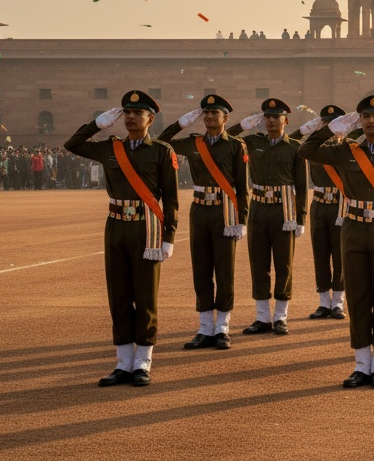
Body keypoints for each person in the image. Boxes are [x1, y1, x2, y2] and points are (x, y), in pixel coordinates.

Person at [298, 95, 374, 388]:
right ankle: (362, 364)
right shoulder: (345, 150)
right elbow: (306, 149)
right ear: (359, 121)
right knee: (359, 298)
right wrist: (331, 130)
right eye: (365, 116)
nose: (371, 121)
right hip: (353, 231)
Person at [64, 91, 179, 387]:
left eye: (137, 113)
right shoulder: (110, 148)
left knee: (145, 296)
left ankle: (142, 362)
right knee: (118, 294)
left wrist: (169, 237)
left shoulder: (162, 151)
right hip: (115, 226)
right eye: (126, 112)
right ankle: (122, 362)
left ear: (150, 119)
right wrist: (97, 124)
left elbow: (171, 199)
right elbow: (72, 144)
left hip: (147, 228)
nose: (130, 117)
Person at [158, 94, 249, 350]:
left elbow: (243, 187)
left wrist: (242, 220)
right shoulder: (193, 143)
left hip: (225, 213)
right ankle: (205, 327)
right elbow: (161, 142)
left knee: (224, 270)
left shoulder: (235, 146)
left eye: (214, 114)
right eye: (205, 114)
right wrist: (180, 123)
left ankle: (222, 327)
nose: (209, 117)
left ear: (225, 118)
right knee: (201, 269)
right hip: (199, 210)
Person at [229, 99, 308, 336]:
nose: (272, 121)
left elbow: (302, 186)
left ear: (286, 120)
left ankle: (281, 316)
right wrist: (243, 125)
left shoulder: (295, 147)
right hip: (259, 209)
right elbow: (228, 138)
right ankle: (262, 317)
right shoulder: (253, 142)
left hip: (285, 212)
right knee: (259, 264)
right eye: (268, 117)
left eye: (277, 117)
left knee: (283, 264)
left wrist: (301, 218)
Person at [307, 105, 351, 321]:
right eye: (325, 123)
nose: (329, 127)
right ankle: (324, 302)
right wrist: (314, 129)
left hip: (340, 205)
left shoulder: (348, 148)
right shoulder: (314, 148)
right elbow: (298, 145)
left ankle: (338, 303)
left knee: (340, 256)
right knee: (321, 254)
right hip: (319, 205)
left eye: (333, 123)